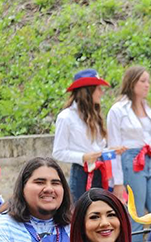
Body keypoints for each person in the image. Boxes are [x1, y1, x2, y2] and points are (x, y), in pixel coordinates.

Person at [53, 69, 125, 201]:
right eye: (98, 89)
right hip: (81, 173)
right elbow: (58, 152)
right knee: (80, 214)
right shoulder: (66, 117)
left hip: (100, 171)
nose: (101, 93)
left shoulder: (95, 116)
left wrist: (110, 151)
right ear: (88, 91)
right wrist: (83, 157)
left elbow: (97, 148)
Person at [107, 65, 151, 217]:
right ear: (132, 82)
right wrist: (117, 182)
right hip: (130, 161)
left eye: (148, 81)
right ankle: (134, 241)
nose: (147, 85)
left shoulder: (147, 107)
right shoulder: (118, 109)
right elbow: (113, 147)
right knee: (136, 215)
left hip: (148, 160)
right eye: (143, 81)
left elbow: (148, 133)